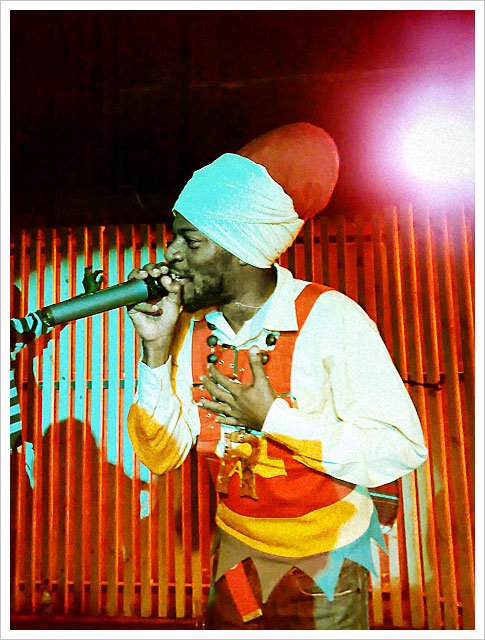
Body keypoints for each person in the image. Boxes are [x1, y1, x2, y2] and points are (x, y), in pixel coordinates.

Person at [126, 123, 428, 630]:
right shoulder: (190, 330)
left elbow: (400, 447)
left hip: (327, 565)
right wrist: (155, 352)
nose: (172, 254)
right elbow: (161, 456)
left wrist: (272, 419)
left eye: (190, 241)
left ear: (239, 247)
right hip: (236, 556)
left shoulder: (330, 318)